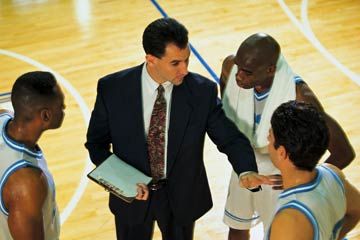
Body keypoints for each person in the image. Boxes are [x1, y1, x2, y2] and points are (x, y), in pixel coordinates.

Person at [85, 18, 272, 240]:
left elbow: (229, 138)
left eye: (187, 60)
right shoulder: (112, 88)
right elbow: (96, 144)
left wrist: (246, 169)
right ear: (151, 59)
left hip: (181, 198)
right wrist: (123, 181)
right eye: (175, 63)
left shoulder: (202, 92)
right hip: (132, 199)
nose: (184, 70)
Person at [220, 33, 355, 240]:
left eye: (247, 72)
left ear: (270, 70)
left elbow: (344, 152)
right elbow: (228, 110)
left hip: (279, 173)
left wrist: (297, 176)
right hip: (246, 162)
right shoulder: (231, 68)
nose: (239, 76)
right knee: (237, 226)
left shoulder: (299, 95)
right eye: (239, 68)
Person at [267, 100, 360, 240]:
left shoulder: (290, 220)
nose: (267, 140)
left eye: (270, 137)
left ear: (282, 152)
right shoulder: (333, 173)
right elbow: (356, 211)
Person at [0, 71, 64, 239]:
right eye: (61, 106)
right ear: (46, 115)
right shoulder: (27, 183)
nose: (64, 109)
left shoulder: (3, 116)